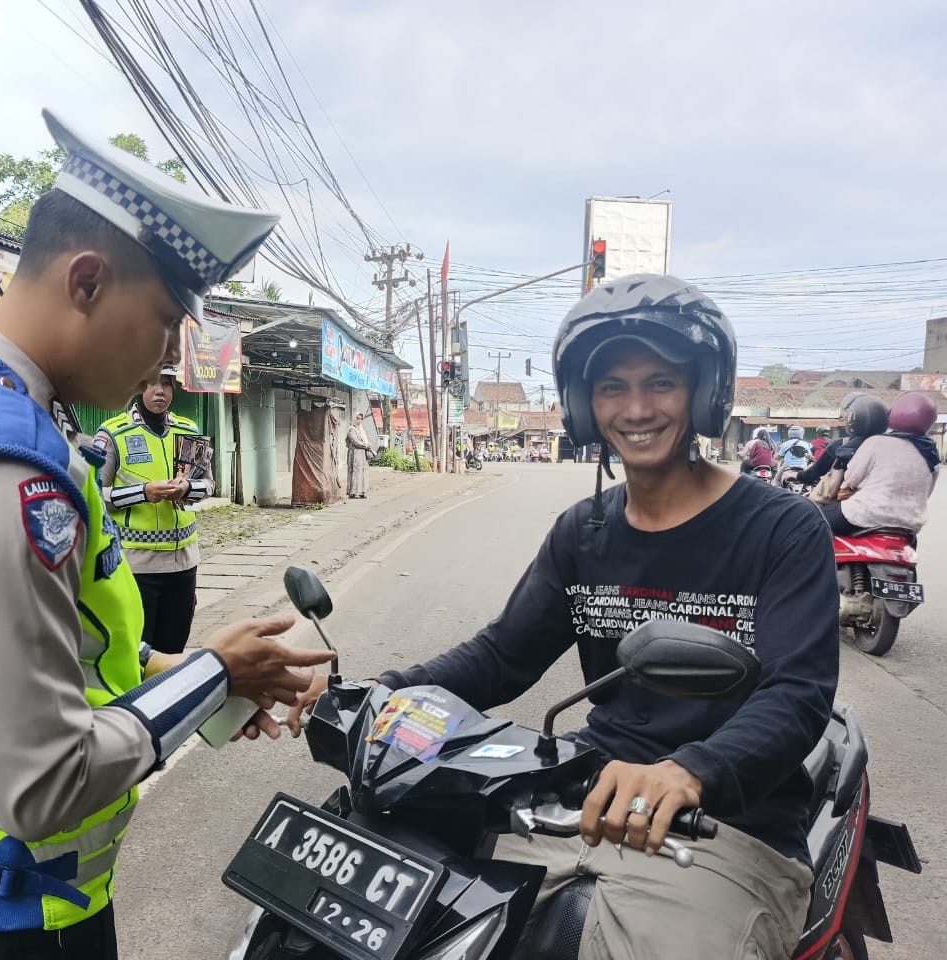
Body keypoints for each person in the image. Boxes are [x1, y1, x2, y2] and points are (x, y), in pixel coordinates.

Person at [0, 109, 334, 960]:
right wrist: (210, 676)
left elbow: (67, 660)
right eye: (166, 320)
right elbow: (46, 783)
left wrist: (213, 681)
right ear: (86, 280)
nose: (167, 357)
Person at [289, 274, 838, 959]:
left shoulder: (781, 527)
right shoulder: (584, 532)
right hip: (580, 797)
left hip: (725, 820)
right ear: (582, 405)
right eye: (612, 387)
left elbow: (797, 694)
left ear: (703, 390)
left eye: (661, 382)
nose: (636, 408)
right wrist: (383, 691)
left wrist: (686, 770)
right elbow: (503, 656)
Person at [95, 367, 210, 655]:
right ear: (138, 386)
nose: (160, 391)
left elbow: (207, 484)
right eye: (152, 384)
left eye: (168, 385)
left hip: (183, 564)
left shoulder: (188, 430)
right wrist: (144, 493)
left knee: (173, 650)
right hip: (135, 567)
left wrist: (185, 489)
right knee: (137, 653)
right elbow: (94, 494)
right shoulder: (114, 434)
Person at [821, 392, 940, 536]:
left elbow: (852, 478)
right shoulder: (932, 456)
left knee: (811, 519)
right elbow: (926, 493)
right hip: (909, 525)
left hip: (863, 515)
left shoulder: (877, 442)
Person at [346, 412, 373, 498]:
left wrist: (368, 444)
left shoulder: (362, 430)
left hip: (362, 453)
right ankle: (353, 492)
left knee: (363, 471)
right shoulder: (351, 429)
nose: (359, 421)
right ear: (354, 419)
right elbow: (355, 441)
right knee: (355, 472)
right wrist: (365, 445)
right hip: (355, 453)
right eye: (357, 418)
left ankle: (362, 492)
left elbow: (365, 440)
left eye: (361, 419)